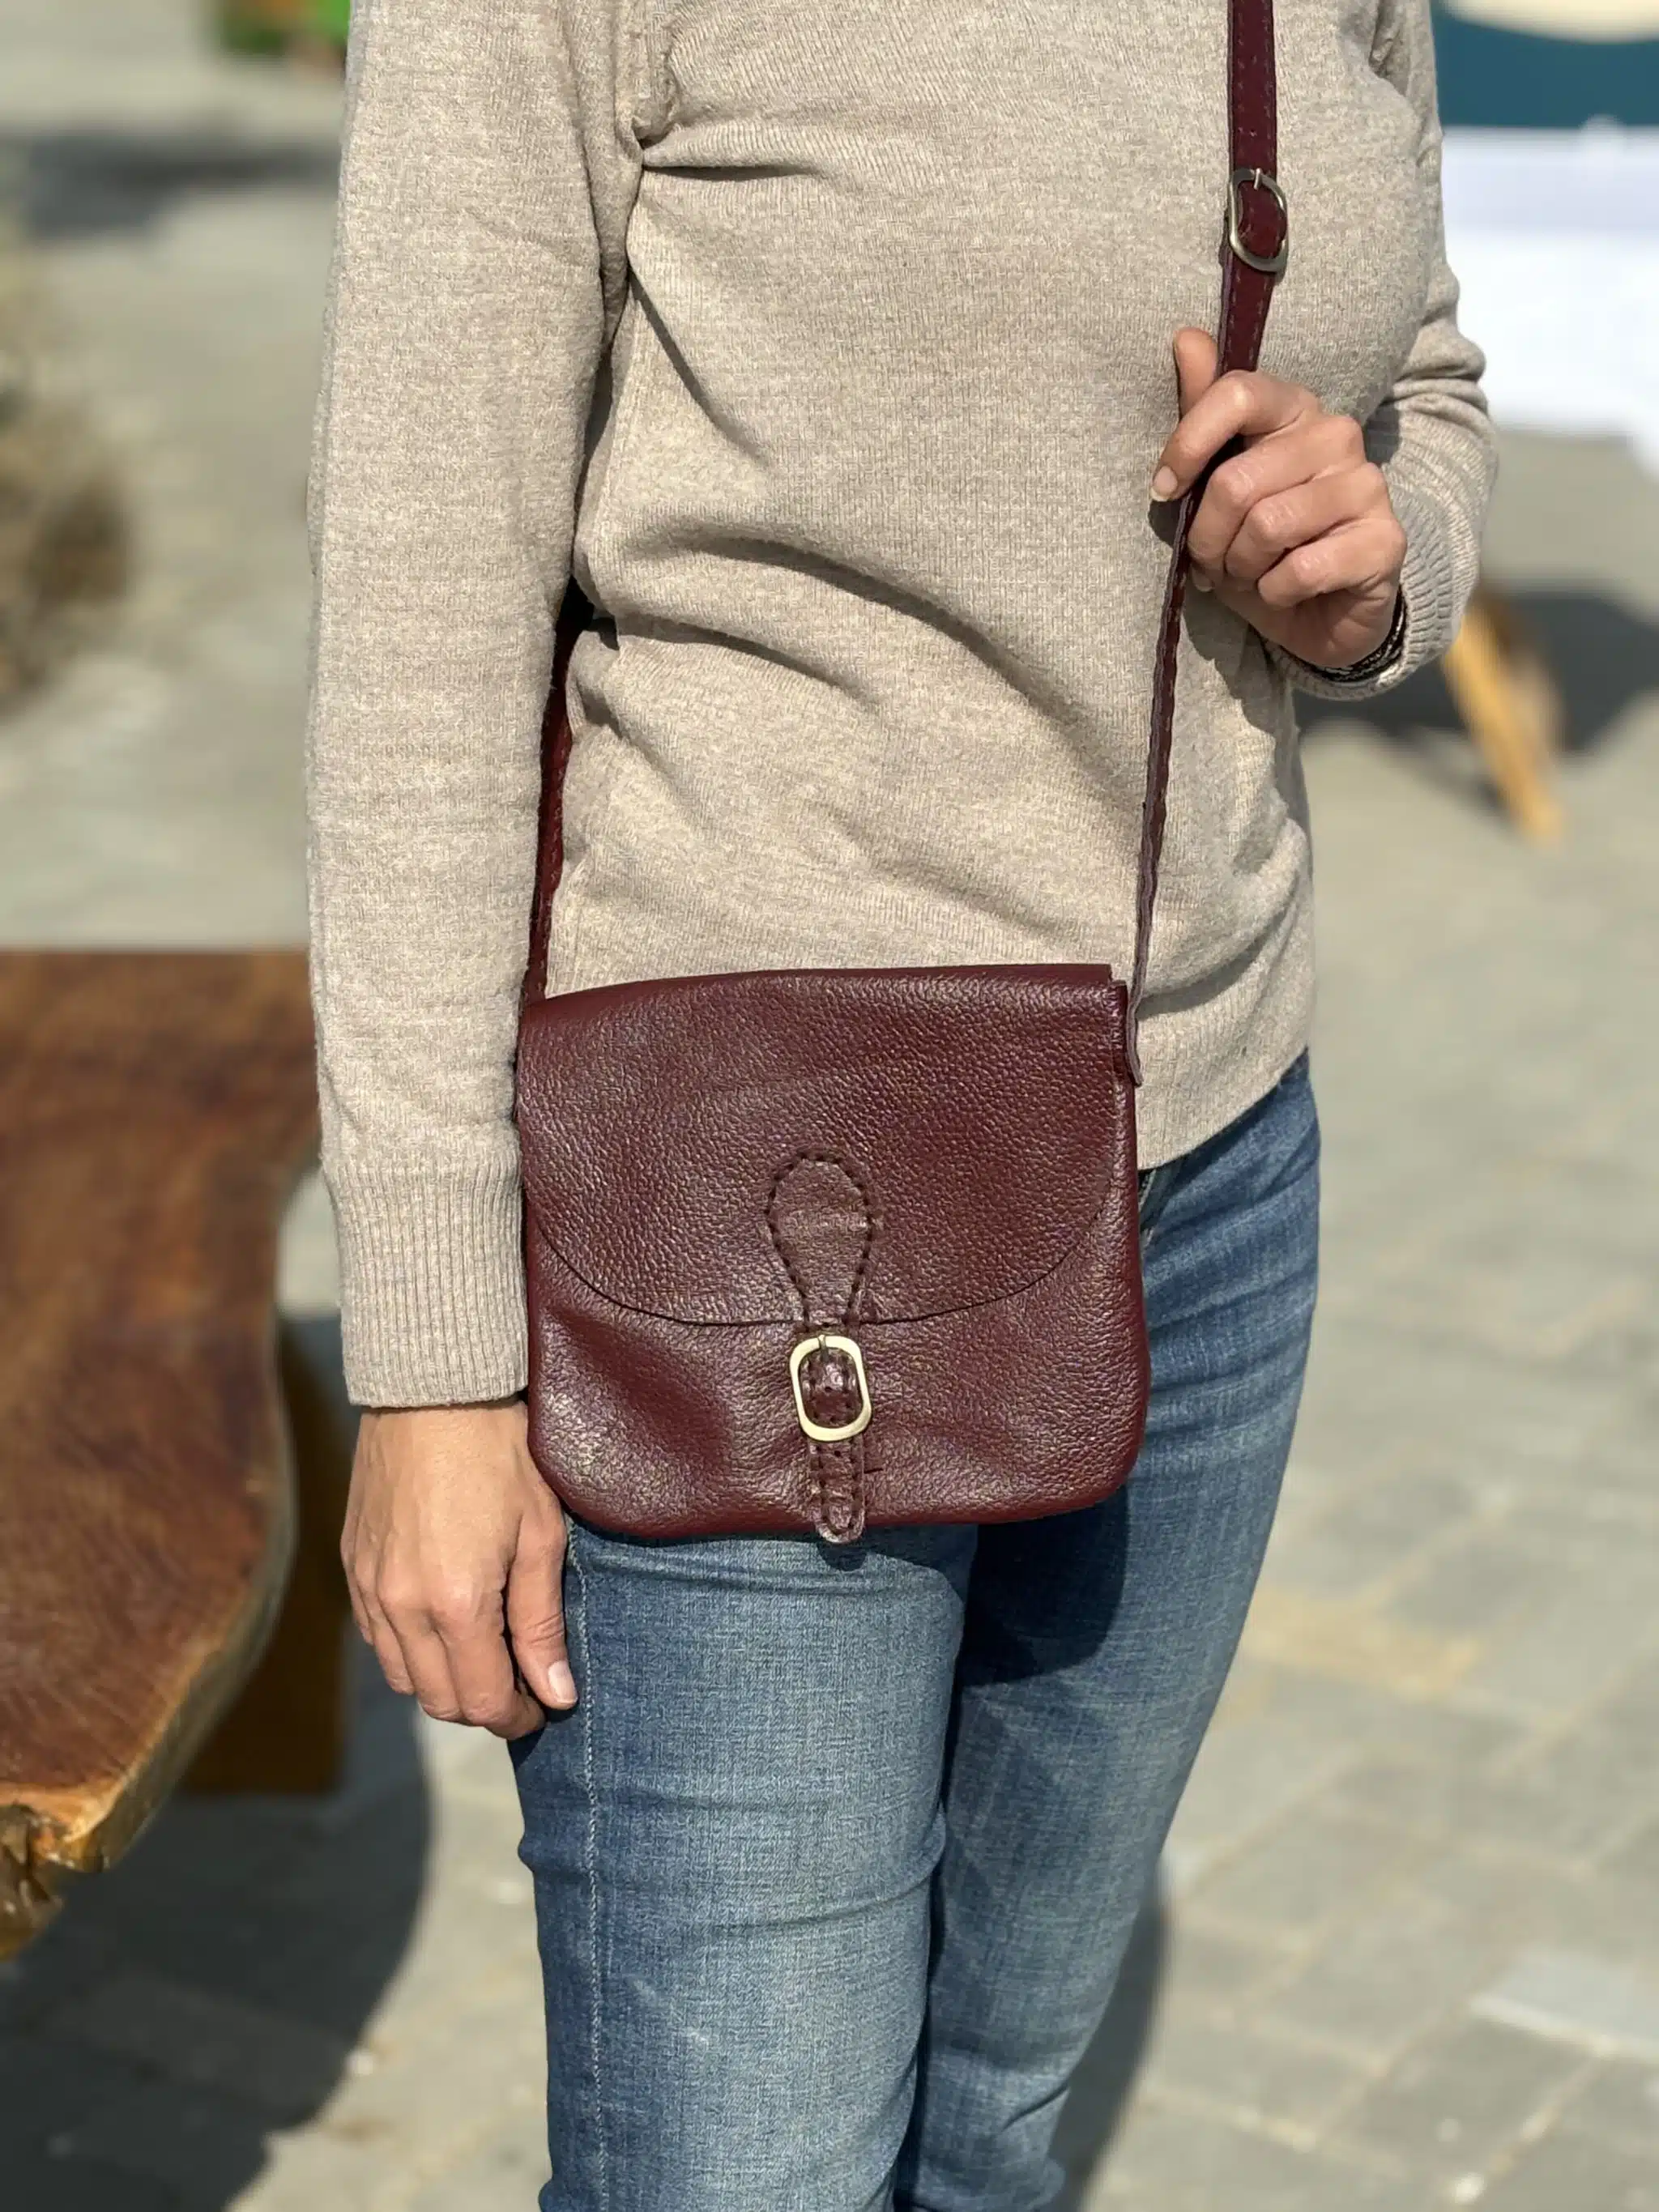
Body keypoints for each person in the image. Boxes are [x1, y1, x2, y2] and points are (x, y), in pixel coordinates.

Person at [308, 0, 1493, 2203]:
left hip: (1209, 1163)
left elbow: (1422, 362)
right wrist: (436, 1358)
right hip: (741, 1208)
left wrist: (1375, 557)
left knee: (992, 2130)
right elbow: (420, 629)